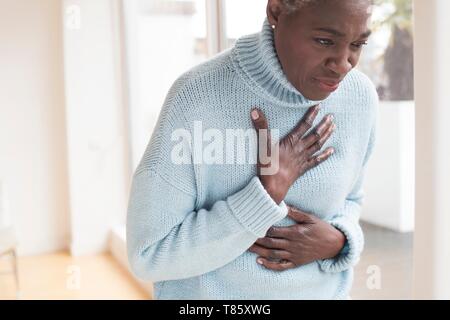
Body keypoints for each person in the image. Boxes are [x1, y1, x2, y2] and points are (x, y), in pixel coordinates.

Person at [127, 0, 378, 299]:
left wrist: (339, 241)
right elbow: (149, 254)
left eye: (358, 44)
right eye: (325, 41)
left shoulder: (359, 98)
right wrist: (265, 196)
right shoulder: (196, 97)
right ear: (276, 11)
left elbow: (351, 199)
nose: (343, 64)